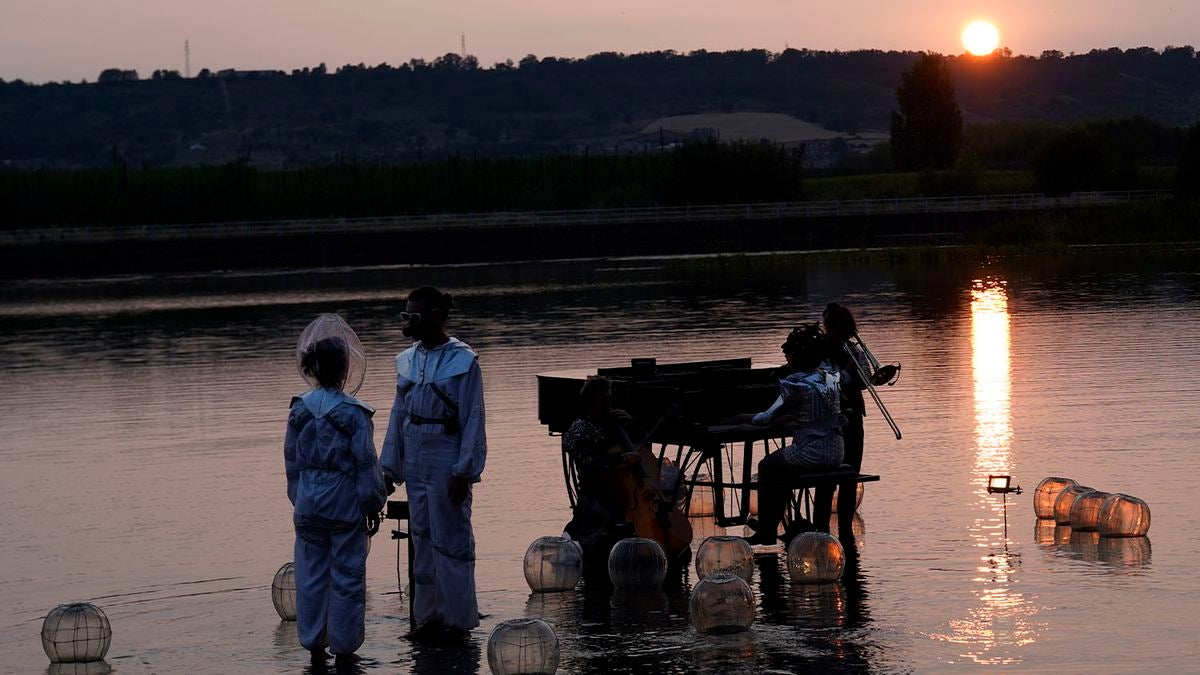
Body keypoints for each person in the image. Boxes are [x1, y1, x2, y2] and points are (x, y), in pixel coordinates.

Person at [381, 286, 487, 639]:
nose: (409, 320)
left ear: (437, 315)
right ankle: (428, 618)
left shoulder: (463, 361)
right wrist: (389, 471)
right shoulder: (408, 360)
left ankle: (457, 621)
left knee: (451, 537)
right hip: (415, 453)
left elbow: (473, 418)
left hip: (445, 452)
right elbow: (398, 417)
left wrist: (464, 471)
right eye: (406, 313)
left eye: (416, 313)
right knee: (422, 536)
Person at [284, 314, 387, 663]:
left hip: (307, 504)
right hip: (343, 503)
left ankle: (313, 644)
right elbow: (366, 465)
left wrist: (300, 500)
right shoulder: (354, 414)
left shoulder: (299, 409)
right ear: (344, 368)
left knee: (310, 577)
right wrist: (373, 505)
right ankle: (344, 649)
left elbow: (291, 464)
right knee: (346, 577)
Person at [741, 324, 845, 546]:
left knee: (767, 466)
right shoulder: (829, 378)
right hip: (836, 451)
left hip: (812, 453)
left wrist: (740, 417)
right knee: (781, 469)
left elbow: (765, 418)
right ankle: (788, 524)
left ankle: (767, 530)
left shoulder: (796, 382)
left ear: (795, 357)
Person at [561, 376, 644, 572]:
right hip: (596, 498)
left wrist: (632, 423)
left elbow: (643, 450)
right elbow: (588, 464)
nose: (609, 406)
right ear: (590, 404)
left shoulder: (617, 423)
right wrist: (622, 459)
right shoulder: (579, 429)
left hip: (624, 496)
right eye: (603, 402)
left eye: (610, 400)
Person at [817, 302, 871, 532]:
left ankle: (847, 532)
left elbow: (867, 380)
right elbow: (825, 385)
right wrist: (848, 373)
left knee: (850, 476)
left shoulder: (854, 350)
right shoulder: (818, 353)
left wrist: (857, 372)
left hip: (853, 419)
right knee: (827, 480)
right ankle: (820, 531)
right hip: (829, 423)